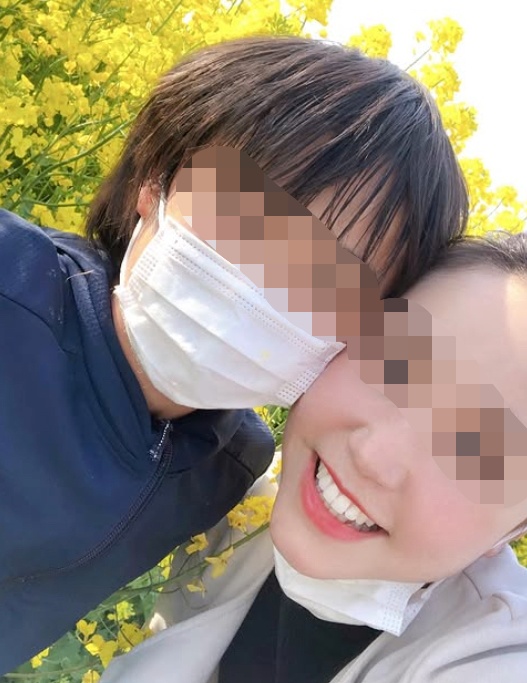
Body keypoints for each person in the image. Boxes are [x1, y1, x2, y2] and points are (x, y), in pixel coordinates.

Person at [0, 36, 468, 674]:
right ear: (155, 181)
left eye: (331, 279)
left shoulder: (230, 465)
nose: (268, 281)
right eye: (246, 216)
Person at [99, 231, 527, 683]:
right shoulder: (224, 475)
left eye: (475, 451)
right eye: (396, 364)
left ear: (525, 526)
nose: (373, 454)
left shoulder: (518, 659)